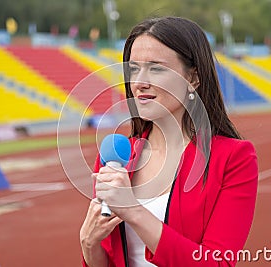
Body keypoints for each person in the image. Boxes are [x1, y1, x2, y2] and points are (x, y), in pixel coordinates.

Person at [80, 16, 258, 267]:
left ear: (193, 78)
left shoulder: (233, 158)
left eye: (156, 68)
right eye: (133, 69)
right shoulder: (115, 156)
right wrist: (89, 244)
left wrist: (133, 211)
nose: (139, 82)